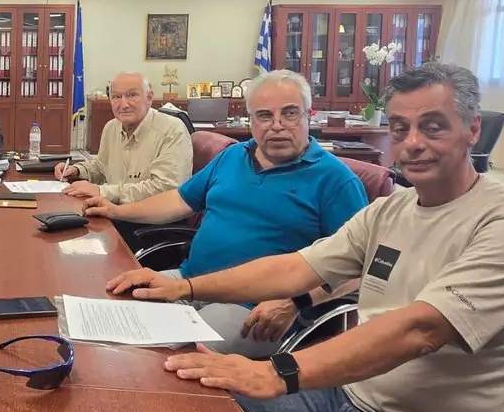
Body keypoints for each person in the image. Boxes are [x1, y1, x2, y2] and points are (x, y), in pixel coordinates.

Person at [105, 63, 504, 412]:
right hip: (352, 397)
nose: (412, 143)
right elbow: (295, 268)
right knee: (179, 402)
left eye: (433, 127)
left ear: (472, 129)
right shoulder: (390, 211)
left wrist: (275, 372)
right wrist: (186, 287)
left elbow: (421, 330)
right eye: (400, 128)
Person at [85, 70, 367, 358]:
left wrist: (296, 302)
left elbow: (357, 269)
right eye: (264, 115)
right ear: (250, 120)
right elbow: (178, 201)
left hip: (252, 308)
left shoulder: (335, 180)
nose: (277, 125)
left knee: (162, 356)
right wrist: (116, 210)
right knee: (111, 315)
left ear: (309, 115)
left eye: (290, 113)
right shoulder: (234, 156)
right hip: (187, 281)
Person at [56, 72, 192, 246]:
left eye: (132, 95)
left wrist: (102, 191)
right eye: (116, 97)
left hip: (151, 227)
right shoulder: (112, 127)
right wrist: (77, 170)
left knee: (78, 247)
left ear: (149, 98)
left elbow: (164, 191)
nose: (124, 104)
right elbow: (101, 167)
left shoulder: (172, 130)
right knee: (61, 235)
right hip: (114, 215)